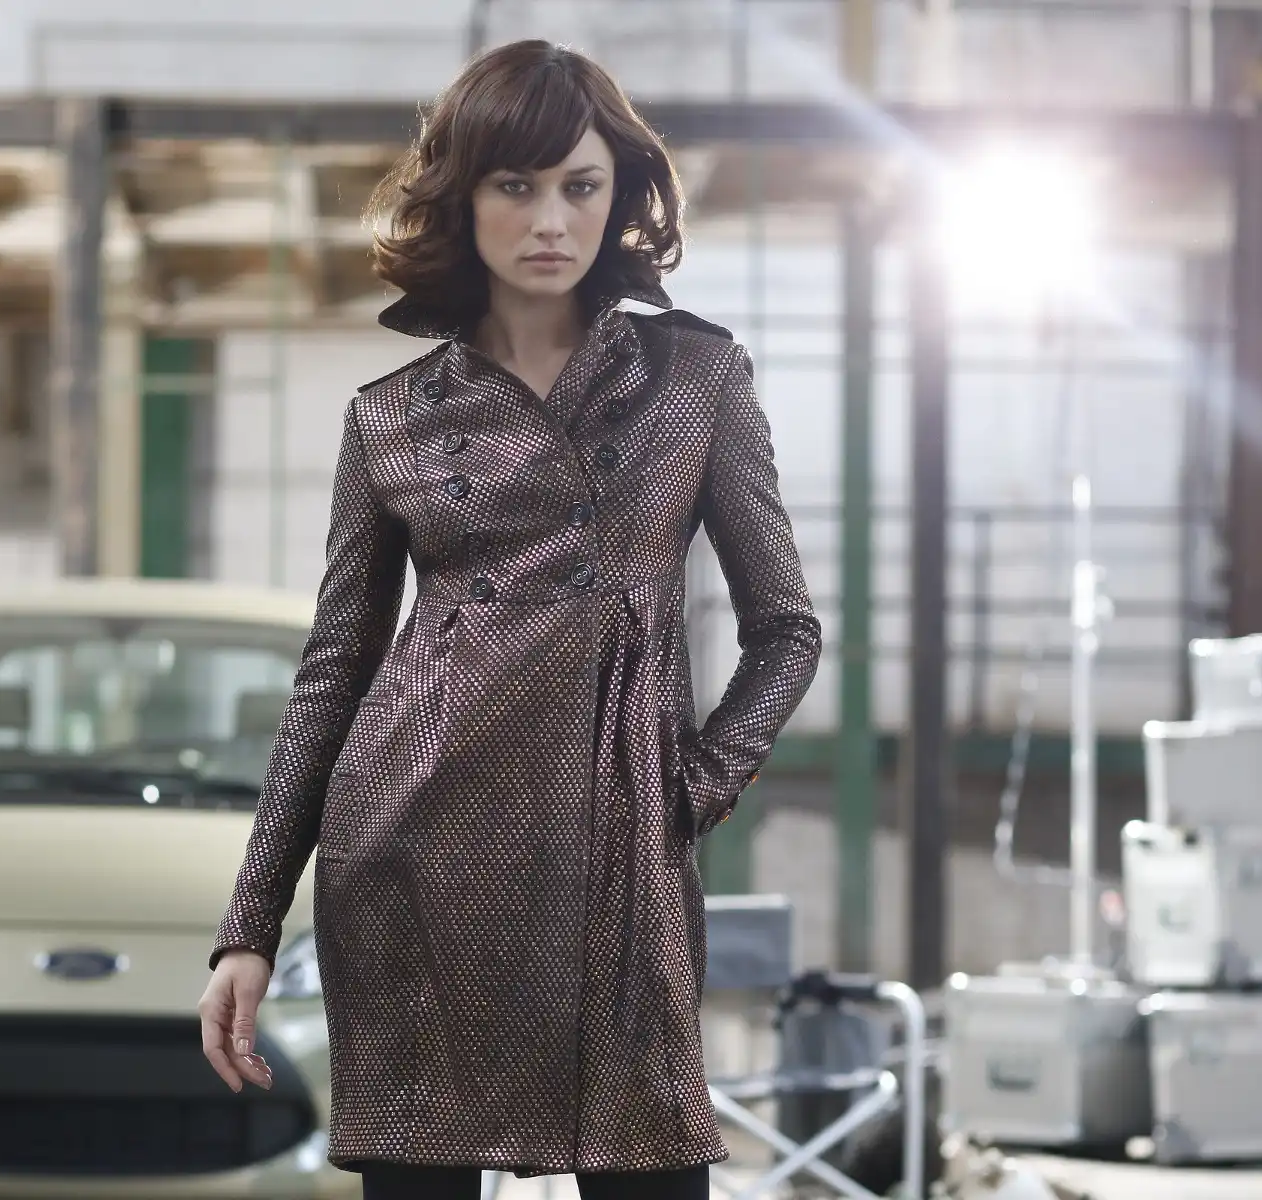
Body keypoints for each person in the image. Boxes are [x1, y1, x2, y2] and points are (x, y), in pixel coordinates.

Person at [197, 38, 822, 1200]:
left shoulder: (695, 379)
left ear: (618, 197)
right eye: (514, 185)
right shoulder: (390, 418)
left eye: (580, 186)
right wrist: (249, 924)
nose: (550, 220)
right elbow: (334, 674)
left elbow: (786, 628)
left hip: (618, 860)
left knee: (651, 1164)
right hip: (412, 857)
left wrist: (691, 786)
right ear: (463, 197)